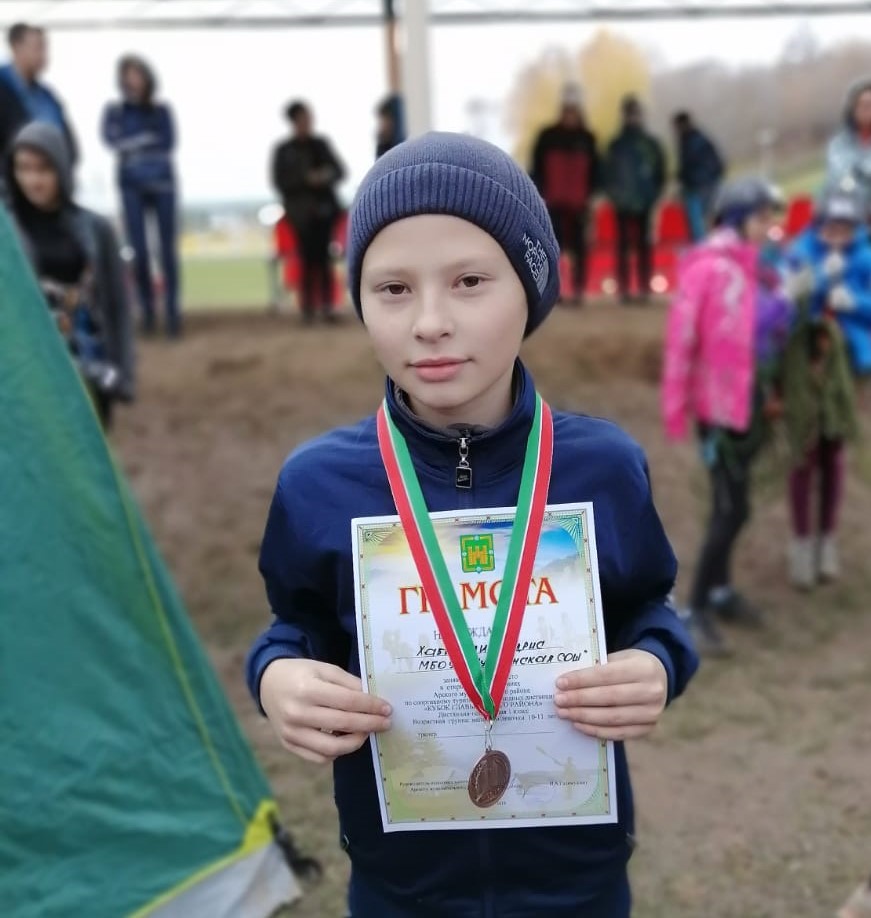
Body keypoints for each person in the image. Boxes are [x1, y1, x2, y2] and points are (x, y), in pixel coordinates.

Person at [246, 132, 698, 917]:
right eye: (392, 288)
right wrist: (275, 677)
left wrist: (657, 663)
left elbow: (649, 611)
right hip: (400, 891)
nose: (429, 321)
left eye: (468, 282)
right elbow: (297, 626)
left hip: (576, 887)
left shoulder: (603, 467)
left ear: (530, 289)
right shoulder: (318, 484)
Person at [662, 177, 786, 657]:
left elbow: (761, 329)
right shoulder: (709, 268)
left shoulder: (755, 266)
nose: (768, 226)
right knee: (729, 509)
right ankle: (695, 608)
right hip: (717, 408)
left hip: (747, 401)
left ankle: (720, 590)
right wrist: (676, 403)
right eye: (761, 217)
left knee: (737, 505)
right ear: (737, 218)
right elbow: (683, 337)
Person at [5, 122, 134, 429]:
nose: (33, 180)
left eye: (43, 169)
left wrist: (123, 373)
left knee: (89, 451)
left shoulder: (96, 229)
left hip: (90, 367)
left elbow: (117, 305)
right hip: (26, 374)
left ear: (61, 168)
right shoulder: (6, 231)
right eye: (24, 168)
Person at [781, 188, 866, 589]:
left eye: (845, 229)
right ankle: (801, 545)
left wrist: (853, 302)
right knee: (804, 453)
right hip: (803, 366)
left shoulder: (864, 258)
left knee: (834, 453)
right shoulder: (800, 253)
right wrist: (813, 283)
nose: (838, 236)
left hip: (843, 367)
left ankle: (826, 541)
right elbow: (786, 301)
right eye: (831, 227)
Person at [101, 55, 180, 338]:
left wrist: (132, 145)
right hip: (130, 187)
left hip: (163, 185)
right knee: (140, 252)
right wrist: (145, 140)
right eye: (128, 75)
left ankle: (172, 314)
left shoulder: (162, 111)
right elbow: (111, 141)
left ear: (147, 77)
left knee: (166, 251)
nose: (133, 80)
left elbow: (168, 142)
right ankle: (147, 312)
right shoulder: (114, 111)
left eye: (137, 74)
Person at [271, 100, 345, 322]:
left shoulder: (320, 145)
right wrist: (306, 180)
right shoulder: (284, 151)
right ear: (294, 121)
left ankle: (327, 306)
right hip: (300, 216)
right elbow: (280, 181)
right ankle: (308, 308)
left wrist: (323, 177)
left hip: (324, 212)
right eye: (303, 118)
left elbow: (339, 171)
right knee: (306, 260)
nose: (307, 122)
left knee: (324, 260)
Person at [530, 83, 600, 305]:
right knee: (553, 248)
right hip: (554, 202)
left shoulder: (587, 139)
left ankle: (578, 290)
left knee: (580, 248)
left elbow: (596, 172)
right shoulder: (547, 137)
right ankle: (555, 290)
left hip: (580, 203)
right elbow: (537, 169)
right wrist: (539, 194)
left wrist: (591, 197)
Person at [604, 95, 666, 304]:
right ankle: (623, 289)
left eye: (635, 114)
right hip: (622, 203)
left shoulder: (650, 144)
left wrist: (654, 194)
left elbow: (660, 172)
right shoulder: (616, 145)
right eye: (630, 114)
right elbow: (607, 172)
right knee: (622, 246)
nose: (633, 118)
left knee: (643, 246)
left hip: (645, 202)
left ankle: (644, 288)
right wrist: (614, 195)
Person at [0, 23, 77, 165]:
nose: (44, 56)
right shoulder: (4, 91)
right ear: (16, 47)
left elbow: (70, 145)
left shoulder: (47, 97)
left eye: (45, 49)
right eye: (38, 48)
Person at [672, 111, 725, 242]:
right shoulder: (701, 138)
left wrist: (682, 179)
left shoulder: (689, 141)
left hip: (697, 187)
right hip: (708, 184)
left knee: (698, 224)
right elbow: (718, 164)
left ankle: (702, 248)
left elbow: (688, 166)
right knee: (708, 220)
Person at [827, 78, 871, 213]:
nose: (868, 109)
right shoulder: (839, 145)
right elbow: (842, 180)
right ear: (852, 109)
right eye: (863, 104)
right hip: (854, 210)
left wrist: (860, 172)